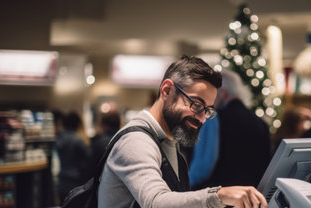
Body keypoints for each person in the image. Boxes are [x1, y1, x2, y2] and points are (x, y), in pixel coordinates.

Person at [98, 55, 267, 208]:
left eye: (207, 110)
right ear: (166, 90)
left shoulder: (167, 142)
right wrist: (219, 195)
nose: (201, 119)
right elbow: (155, 201)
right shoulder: (136, 142)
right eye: (196, 104)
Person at [190, 70, 272, 190]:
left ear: (223, 93)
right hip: (251, 197)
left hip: (221, 197)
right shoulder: (261, 122)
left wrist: (185, 186)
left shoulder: (214, 119)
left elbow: (203, 166)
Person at [56, 111, 92, 204]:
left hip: (61, 180)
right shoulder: (77, 140)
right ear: (77, 124)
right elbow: (90, 156)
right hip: (75, 181)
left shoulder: (59, 138)